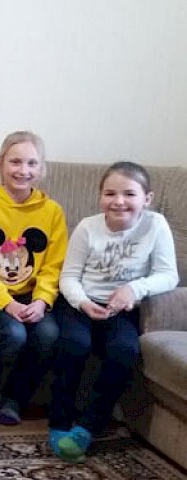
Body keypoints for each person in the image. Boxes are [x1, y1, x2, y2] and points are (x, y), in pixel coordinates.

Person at [49, 162, 178, 462]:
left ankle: (87, 427)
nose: (119, 201)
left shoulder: (155, 225)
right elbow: (69, 277)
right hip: (80, 304)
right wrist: (82, 302)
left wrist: (134, 289)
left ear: (146, 199)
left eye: (129, 194)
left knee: (124, 350)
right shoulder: (87, 227)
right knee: (73, 344)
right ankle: (59, 422)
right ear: (100, 197)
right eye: (110, 194)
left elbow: (168, 275)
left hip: (121, 310)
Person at [0, 131, 68, 426]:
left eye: (32, 163)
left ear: (42, 168)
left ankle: (15, 400)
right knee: (13, 334)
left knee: (48, 334)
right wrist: (6, 303)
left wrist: (42, 300)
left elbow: (54, 265)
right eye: (15, 162)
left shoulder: (52, 212)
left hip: (34, 296)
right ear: (1, 163)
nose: (23, 170)